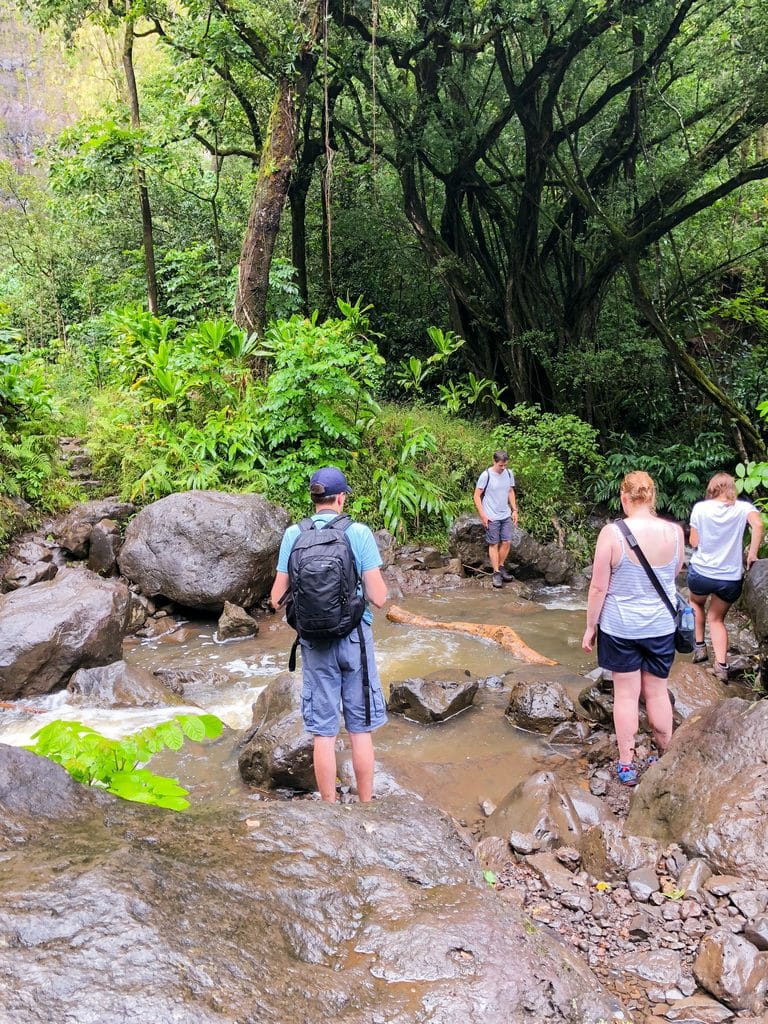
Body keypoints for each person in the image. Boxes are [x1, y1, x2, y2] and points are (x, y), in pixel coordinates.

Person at [270, 466, 388, 803]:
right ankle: (366, 804)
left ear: (314, 498)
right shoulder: (359, 533)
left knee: (323, 732)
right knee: (359, 728)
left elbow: (276, 599)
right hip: (355, 639)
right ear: (341, 498)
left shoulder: (294, 534)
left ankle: (329, 808)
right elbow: (378, 598)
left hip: (314, 643)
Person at [582, 471, 684, 786]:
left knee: (626, 696)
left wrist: (590, 627)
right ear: (652, 498)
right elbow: (674, 574)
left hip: (621, 627)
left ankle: (627, 764)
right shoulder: (675, 533)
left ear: (624, 498)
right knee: (656, 691)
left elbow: (598, 588)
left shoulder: (612, 534)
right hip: (660, 627)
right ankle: (665, 752)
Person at [687, 472, 764, 681]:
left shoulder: (700, 508)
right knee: (717, 618)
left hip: (702, 572)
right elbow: (758, 525)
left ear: (712, 488)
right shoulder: (743, 508)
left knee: (695, 603)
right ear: (732, 489)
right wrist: (753, 554)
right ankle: (721, 666)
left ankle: (700, 647)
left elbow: (694, 542)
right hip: (730, 577)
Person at [474, 449, 519, 588]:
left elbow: (510, 491)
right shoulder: (486, 475)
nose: (503, 468)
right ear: (494, 462)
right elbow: (476, 496)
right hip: (491, 515)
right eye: (500, 465)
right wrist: (483, 515)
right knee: (493, 543)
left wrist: (514, 510)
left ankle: (500, 566)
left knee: (507, 542)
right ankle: (496, 573)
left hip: (505, 514)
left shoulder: (509, 473)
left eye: (505, 465)